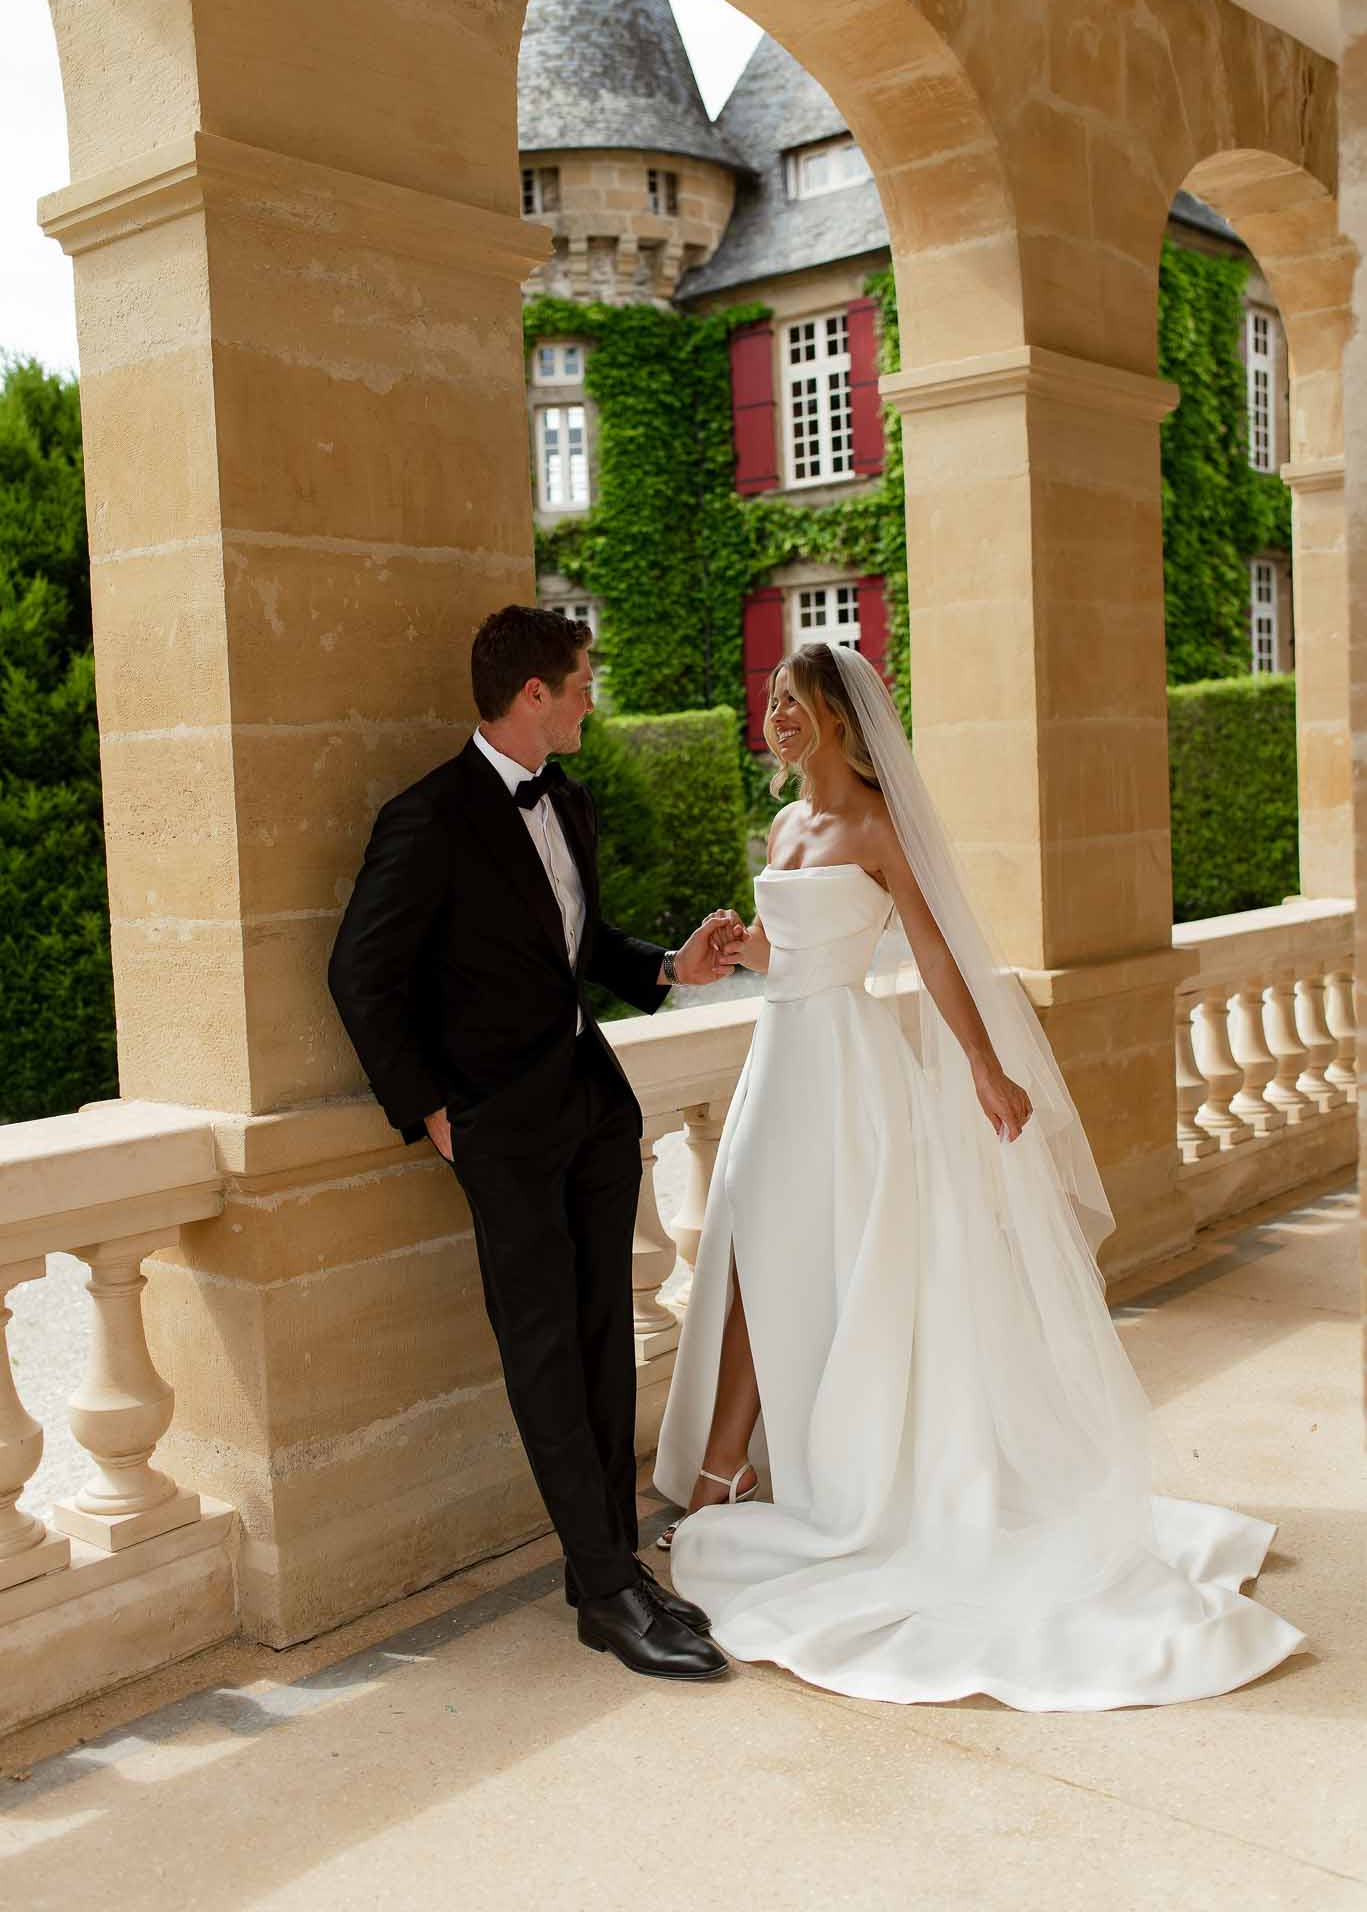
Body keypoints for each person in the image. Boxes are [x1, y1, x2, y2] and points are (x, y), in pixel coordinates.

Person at [654, 641, 1307, 1709]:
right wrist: (733, 950)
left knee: (793, 1266)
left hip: (845, 1077)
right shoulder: (780, 823)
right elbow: (791, 951)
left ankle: (732, 1470)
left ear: (835, 716)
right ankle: (730, 1465)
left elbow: (933, 951)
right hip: (777, 1062)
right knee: (745, 1257)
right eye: (770, 698)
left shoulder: (873, 823)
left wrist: (985, 1068)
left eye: (793, 702)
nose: (773, 714)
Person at [328, 605, 743, 1683]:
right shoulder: (427, 817)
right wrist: (427, 1111)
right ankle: (606, 1588)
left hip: (593, 1111)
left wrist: (667, 967)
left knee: (607, 1340)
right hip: (498, 1129)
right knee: (545, 1354)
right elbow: (359, 974)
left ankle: (605, 1571)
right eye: (579, 681)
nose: (589, 697)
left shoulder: (566, 797)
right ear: (532, 696)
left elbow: (578, 945)